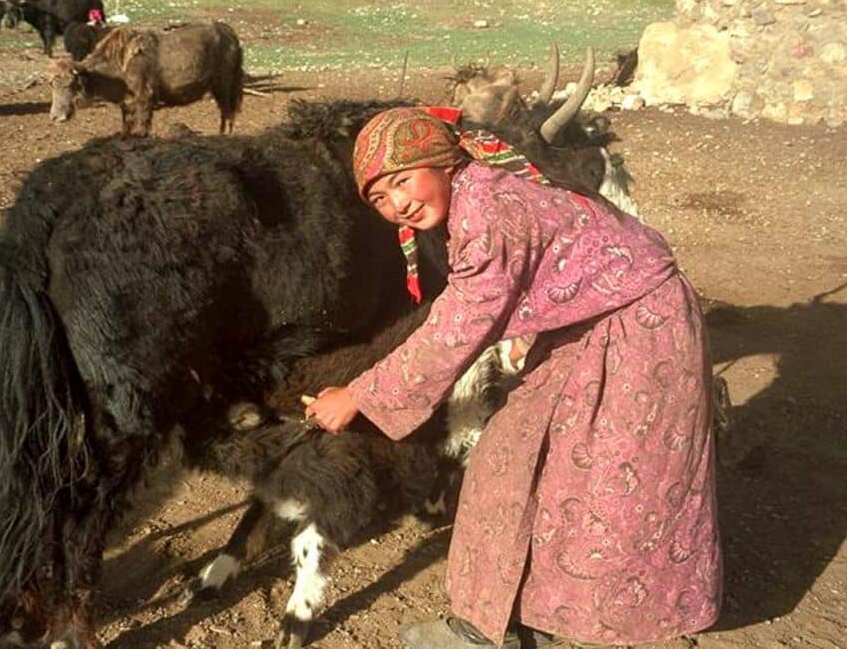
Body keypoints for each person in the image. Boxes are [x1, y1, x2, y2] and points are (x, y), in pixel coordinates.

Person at [305, 107, 721, 648]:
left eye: (403, 181)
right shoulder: (476, 194)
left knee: (616, 480)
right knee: (511, 458)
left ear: (441, 161)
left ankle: (621, 614)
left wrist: (359, 395)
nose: (399, 204)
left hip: (642, 327)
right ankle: (497, 619)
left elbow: (455, 328)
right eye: (381, 199)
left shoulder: (489, 212)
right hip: (591, 320)